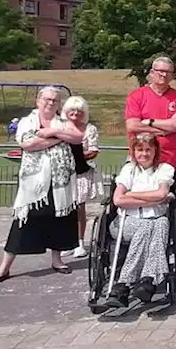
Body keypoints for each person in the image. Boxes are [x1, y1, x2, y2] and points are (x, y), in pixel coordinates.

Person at [0, 87, 83, 284]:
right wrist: (59, 138)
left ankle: (57, 260)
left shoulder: (63, 122)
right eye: (47, 99)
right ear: (38, 101)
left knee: (60, 217)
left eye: (55, 100)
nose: (50, 103)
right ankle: (4, 267)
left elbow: (77, 137)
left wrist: (53, 132)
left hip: (60, 181)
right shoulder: (26, 121)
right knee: (24, 220)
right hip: (35, 181)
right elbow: (28, 144)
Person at [96, 133, 176, 309]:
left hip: (156, 221)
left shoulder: (164, 169)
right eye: (140, 150)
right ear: (133, 151)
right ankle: (142, 282)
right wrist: (154, 199)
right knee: (150, 224)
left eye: (148, 149)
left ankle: (133, 284)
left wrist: (131, 195)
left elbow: (161, 193)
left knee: (160, 223)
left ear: (156, 151)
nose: (144, 154)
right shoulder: (129, 170)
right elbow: (118, 200)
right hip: (126, 222)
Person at [123, 55, 176, 246]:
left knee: (166, 208)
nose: (163, 75)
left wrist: (148, 122)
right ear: (151, 73)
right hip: (141, 159)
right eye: (159, 71)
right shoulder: (137, 96)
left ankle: (163, 247)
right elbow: (132, 126)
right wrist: (163, 127)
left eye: (168, 72)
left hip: (169, 161)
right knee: (141, 203)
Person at [62, 96, 101, 259]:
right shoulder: (61, 127)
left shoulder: (89, 129)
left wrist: (77, 155)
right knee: (64, 208)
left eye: (79, 111)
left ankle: (79, 242)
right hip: (63, 173)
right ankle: (66, 242)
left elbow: (94, 150)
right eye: (73, 110)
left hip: (81, 172)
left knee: (79, 208)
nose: (76, 113)